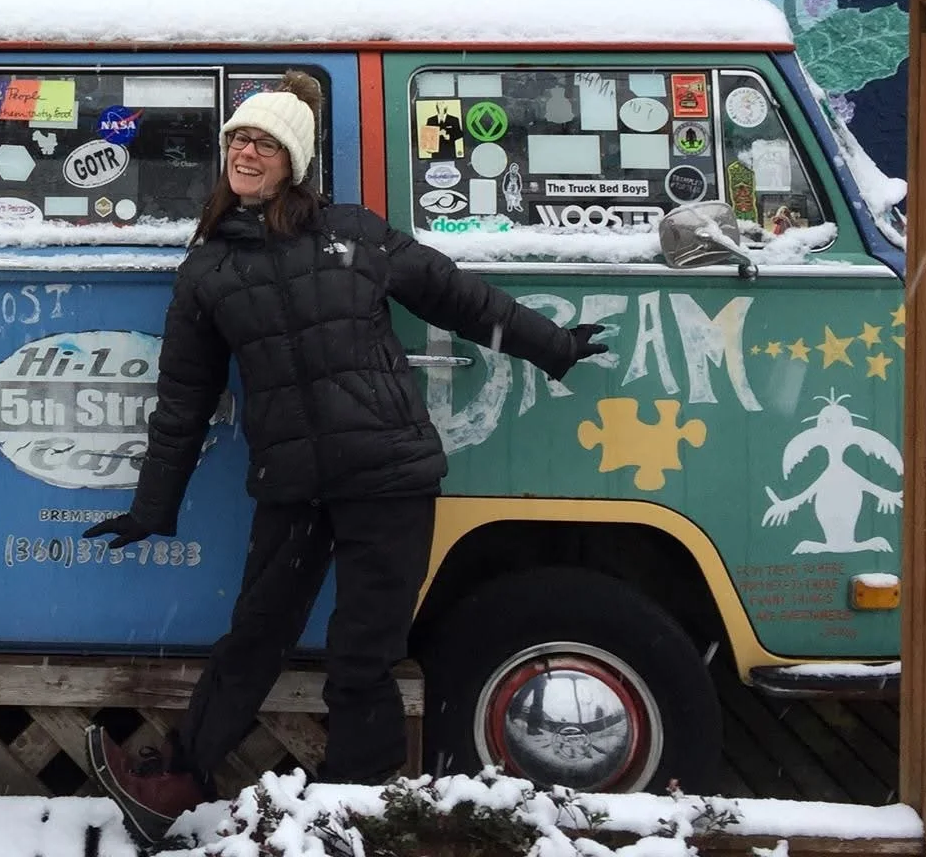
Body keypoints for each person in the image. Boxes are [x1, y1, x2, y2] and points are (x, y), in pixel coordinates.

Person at [83, 72, 608, 837]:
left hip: (387, 477)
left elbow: (456, 297)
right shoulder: (208, 271)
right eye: (236, 141)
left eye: (262, 143)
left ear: (291, 161)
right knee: (253, 636)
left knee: (362, 653)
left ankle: (354, 811)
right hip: (293, 486)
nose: (245, 153)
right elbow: (183, 402)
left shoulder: (354, 235)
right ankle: (175, 786)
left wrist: (552, 345)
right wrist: (151, 507)